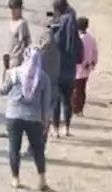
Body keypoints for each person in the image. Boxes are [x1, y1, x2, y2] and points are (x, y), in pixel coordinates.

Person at [1, 47, 50, 191]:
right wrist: (45, 121)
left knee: (14, 148)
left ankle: (15, 179)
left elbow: (2, 91)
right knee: (38, 149)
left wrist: (3, 72)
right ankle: (42, 180)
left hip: (13, 115)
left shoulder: (14, 73)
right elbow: (45, 103)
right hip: (33, 118)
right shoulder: (43, 77)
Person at [48, 0, 82, 138]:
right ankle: (66, 128)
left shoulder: (56, 28)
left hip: (56, 70)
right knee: (67, 101)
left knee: (55, 101)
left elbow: (49, 47)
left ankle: (55, 129)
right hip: (70, 70)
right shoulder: (73, 30)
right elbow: (80, 51)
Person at [73, 17, 98, 117]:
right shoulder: (90, 38)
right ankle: (80, 109)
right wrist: (93, 63)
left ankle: (75, 108)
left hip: (78, 68)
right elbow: (95, 52)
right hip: (87, 68)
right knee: (82, 89)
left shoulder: (78, 39)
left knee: (76, 90)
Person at [6, 0, 32, 69]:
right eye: (11, 9)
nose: (12, 12)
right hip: (11, 57)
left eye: (15, 9)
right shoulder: (12, 21)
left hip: (17, 61)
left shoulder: (21, 24)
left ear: (20, 9)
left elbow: (26, 43)